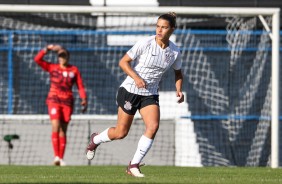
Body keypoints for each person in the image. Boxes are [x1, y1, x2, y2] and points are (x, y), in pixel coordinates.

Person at [86, 12, 184, 177]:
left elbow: (178, 73)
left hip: (150, 94)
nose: (159, 30)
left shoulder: (174, 51)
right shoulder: (145, 43)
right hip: (130, 91)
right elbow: (123, 62)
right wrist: (137, 78)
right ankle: (95, 140)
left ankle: (133, 165)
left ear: (172, 29)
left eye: (164, 27)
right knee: (121, 133)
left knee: (153, 127)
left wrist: (179, 90)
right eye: (158, 26)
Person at [34, 44, 87, 166]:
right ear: (58, 57)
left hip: (67, 102)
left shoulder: (74, 70)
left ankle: (61, 158)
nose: (62, 58)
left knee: (63, 130)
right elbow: (37, 59)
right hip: (54, 100)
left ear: (68, 57)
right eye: (60, 56)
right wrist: (47, 49)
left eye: (64, 56)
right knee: (55, 126)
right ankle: (56, 157)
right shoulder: (52, 67)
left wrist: (84, 98)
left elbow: (80, 85)